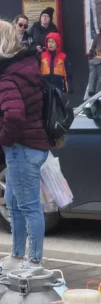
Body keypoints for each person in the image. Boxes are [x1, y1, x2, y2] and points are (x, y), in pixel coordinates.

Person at [0, 20, 51, 273]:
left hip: (21, 147)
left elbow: (14, 116)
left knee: (28, 206)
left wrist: (3, 139)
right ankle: (18, 255)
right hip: (33, 143)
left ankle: (33, 261)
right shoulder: (26, 67)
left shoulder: (7, 76)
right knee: (13, 201)